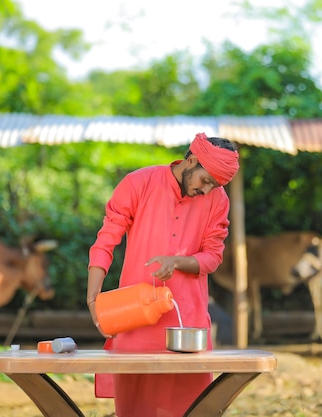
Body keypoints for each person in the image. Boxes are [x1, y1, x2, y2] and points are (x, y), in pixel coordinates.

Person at [86, 132, 239, 417]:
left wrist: (179, 261)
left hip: (187, 328)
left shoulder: (218, 200)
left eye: (215, 185)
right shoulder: (139, 183)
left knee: (190, 409)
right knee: (134, 410)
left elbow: (213, 256)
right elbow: (106, 241)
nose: (207, 191)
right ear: (191, 160)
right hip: (135, 321)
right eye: (205, 181)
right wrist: (93, 299)